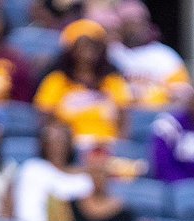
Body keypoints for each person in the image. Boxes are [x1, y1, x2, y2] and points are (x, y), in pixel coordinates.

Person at [33, 18, 132, 149]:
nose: (88, 51)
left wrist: (120, 147)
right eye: (83, 45)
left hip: (107, 147)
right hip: (70, 149)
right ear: (71, 50)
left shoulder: (113, 81)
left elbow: (124, 119)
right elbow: (45, 118)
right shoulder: (56, 80)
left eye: (93, 46)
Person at [108, 0, 191, 110]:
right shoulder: (110, 53)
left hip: (158, 115)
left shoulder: (164, 55)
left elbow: (183, 93)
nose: (135, 29)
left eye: (140, 22)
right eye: (130, 23)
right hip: (119, 116)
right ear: (119, 26)